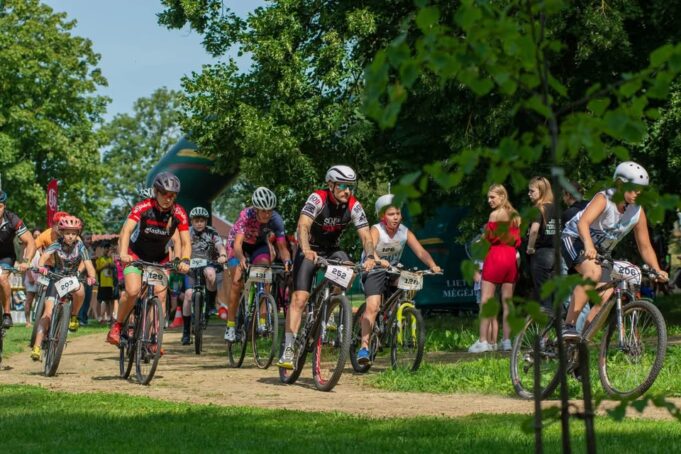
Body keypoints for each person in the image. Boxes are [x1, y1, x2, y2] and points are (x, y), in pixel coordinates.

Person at [277, 165, 377, 369]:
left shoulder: (354, 205)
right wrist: (306, 249)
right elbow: (303, 225)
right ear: (330, 184)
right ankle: (288, 348)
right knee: (300, 298)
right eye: (342, 186)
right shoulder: (318, 198)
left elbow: (366, 236)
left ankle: (330, 303)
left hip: (331, 250)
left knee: (349, 269)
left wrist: (370, 256)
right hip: (309, 249)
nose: (347, 191)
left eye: (350, 186)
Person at [561, 161, 668, 339]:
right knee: (593, 272)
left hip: (599, 251)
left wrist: (657, 269)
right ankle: (569, 325)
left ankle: (580, 341)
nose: (639, 193)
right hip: (575, 239)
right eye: (634, 188)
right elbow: (583, 223)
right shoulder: (605, 199)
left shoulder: (637, 211)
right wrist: (588, 245)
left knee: (606, 294)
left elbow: (645, 246)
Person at [106, 172, 191, 346]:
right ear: (156, 192)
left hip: (159, 259)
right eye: (164, 194)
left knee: (160, 296)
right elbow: (126, 231)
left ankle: (153, 338)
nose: (168, 198)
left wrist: (184, 260)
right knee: (132, 291)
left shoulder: (179, 212)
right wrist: (123, 253)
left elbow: (185, 242)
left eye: (172, 195)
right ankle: (118, 325)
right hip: (136, 255)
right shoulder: (144, 206)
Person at [356, 194, 441, 365]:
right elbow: (369, 246)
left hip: (393, 269)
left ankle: (394, 318)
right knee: (373, 306)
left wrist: (433, 265)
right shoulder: (376, 230)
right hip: (373, 269)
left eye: (398, 213)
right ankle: (363, 347)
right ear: (382, 216)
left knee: (406, 287)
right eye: (391, 214)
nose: (396, 217)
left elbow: (420, 251)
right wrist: (378, 260)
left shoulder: (404, 231)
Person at [224, 187, 291, 342]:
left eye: (270, 211)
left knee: (265, 271)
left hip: (258, 245)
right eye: (263, 211)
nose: (267, 214)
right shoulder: (246, 216)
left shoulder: (276, 219)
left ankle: (262, 320)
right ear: (256, 209)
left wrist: (287, 261)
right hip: (238, 246)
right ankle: (230, 326)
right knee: (237, 281)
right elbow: (237, 245)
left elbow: (282, 248)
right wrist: (241, 258)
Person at [32, 216, 96, 360]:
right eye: (67, 233)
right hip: (56, 278)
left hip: (72, 278)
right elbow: (44, 257)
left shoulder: (81, 247)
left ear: (78, 234)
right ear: (61, 233)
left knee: (80, 289)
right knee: (47, 314)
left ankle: (74, 316)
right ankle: (36, 346)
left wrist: (92, 276)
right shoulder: (56, 244)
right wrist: (41, 267)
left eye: (73, 233)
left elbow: (88, 263)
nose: (70, 236)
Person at [469, 184, 521, 353]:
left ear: (502, 197)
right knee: (507, 302)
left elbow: (488, 239)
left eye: (492, 197)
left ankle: (484, 341)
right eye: (488, 197)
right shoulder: (514, 215)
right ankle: (506, 341)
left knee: (486, 300)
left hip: (496, 255)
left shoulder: (494, 215)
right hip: (511, 256)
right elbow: (517, 239)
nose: (489, 200)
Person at [181, 206, 227, 345]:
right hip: (190, 267)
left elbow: (219, 245)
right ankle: (186, 332)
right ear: (192, 221)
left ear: (206, 222)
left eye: (202, 221)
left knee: (211, 274)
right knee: (188, 295)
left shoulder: (212, 232)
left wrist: (223, 254)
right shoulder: (187, 232)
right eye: (196, 221)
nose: (199, 223)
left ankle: (210, 305)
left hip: (207, 263)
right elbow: (179, 245)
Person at [0, 190, 35, 328]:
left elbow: (30, 241)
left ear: (4, 206)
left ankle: (7, 314)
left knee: (2, 278)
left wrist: (26, 262)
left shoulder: (12, 219)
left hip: (5, 256)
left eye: (0, 206)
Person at [525, 177, 559, 310]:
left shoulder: (539, 209)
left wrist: (530, 248)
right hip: (556, 254)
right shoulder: (556, 208)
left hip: (542, 254)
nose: (529, 194)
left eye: (532, 191)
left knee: (543, 295)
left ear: (542, 191)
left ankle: (545, 321)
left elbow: (534, 231)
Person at [95, 242, 115, 324]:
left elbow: (114, 268)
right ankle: (99, 317)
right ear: (103, 249)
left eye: (108, 248)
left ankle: (109, 317)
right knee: (99, 300)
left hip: (109, 283)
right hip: (102, 283)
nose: (107, 250)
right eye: (106, 248)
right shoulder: (99, 259)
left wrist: (112, 265)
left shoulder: (110, 259)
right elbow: (97, 270)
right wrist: (105, 266)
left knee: (108, 301)